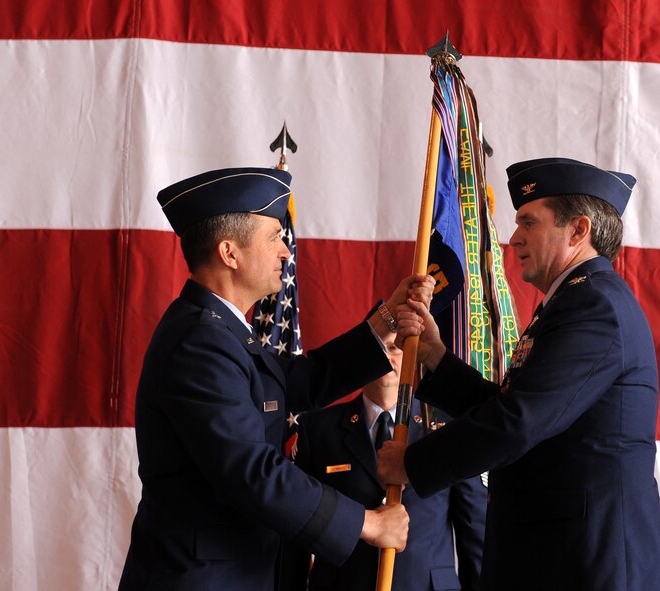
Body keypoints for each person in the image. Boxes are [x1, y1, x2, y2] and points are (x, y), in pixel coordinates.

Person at [119, 167, 430, 590]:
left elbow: (295, 381)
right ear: (230, 253)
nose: (285, 252)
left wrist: (386, 321)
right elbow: (252, 470)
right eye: (273, 238)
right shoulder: (199, 342)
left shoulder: (220, 331)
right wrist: (366, 522)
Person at [378, 158, 660, 590]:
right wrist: (435, 355)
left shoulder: (593, 307)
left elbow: (518, 422)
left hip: (591, 565)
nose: (514, 237)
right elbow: (516, 410)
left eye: (528, 223)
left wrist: (412, 463)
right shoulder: (574, 302)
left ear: (578, 231)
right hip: (563, 558)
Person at [280, 305, 487, 591]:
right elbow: (298, 526)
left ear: (413, 356)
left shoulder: (446, 426)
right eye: (381, 346)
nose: (389, 355)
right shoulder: (319, 429)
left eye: (399, 346)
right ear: (363, 355)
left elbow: (474, 527)